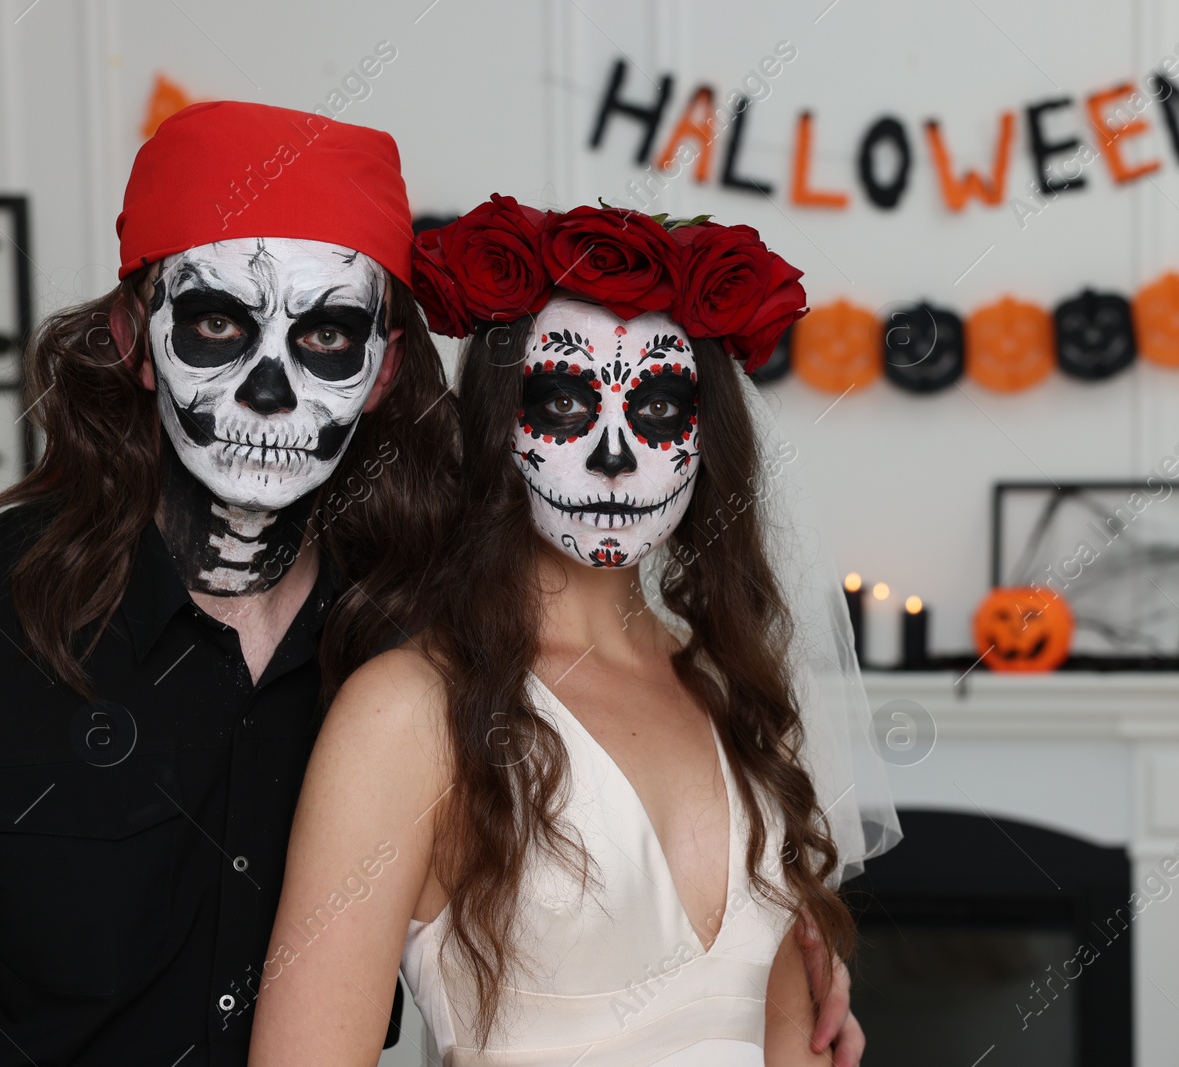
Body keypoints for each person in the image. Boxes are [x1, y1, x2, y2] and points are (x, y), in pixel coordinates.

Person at [0, 108, 867, 1065]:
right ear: (133, 340)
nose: (269, 391)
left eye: (326, 335)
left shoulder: (425, 620)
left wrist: (768, 956)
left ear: (381, 366)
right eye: (214, 323)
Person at [249, 198, 898, 1065]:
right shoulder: (408, 715)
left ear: (710, 438)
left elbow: (792, 1040)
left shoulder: (740, 698)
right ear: (497, 424)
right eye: (562, 402)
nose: (615, 455)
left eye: (662, 410)